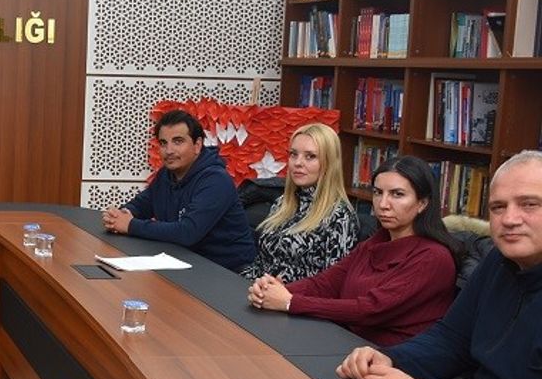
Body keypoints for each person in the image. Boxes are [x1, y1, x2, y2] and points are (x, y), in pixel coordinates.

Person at [336, 150, 542, 379]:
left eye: (529, 204)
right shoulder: (497, 262)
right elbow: (451, 340)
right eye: (498, 207)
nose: (509, 219)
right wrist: (390, 359)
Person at [249, 155, 459, 346]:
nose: (383, 204)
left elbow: (370, 310)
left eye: (397, 194)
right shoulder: (377, 241)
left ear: (422, 203)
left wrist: (289, 302)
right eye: (378, 193)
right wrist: (273, 291)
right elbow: (326, 283)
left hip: (390, 360)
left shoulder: (433, 257)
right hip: (346, 341)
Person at [102, 110, 255, 272]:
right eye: (163, 143)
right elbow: (142, 204)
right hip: (183, 262)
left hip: (228, 272)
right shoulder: (166, 174)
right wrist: (122, 214)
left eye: (178, 142)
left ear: (197, 145)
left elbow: (188, 233)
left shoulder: (216, 180)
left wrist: (130, 225)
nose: (169, 150)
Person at [242, 123, 358, 282]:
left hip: (295, 296)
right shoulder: (283, 202)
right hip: (257, 288)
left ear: (329, 163)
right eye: (293, 154)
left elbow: (332, 285)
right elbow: (261, 264)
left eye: (310, 156)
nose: (298, 163)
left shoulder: (340, 217)